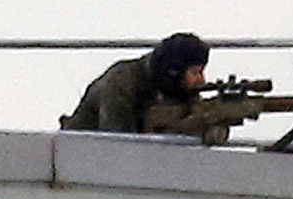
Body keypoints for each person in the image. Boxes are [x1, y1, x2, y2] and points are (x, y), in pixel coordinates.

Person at [59, 32, 211, 135]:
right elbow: (118, 144)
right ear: (174, 71)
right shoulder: (121, 84)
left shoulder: (176, 90)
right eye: (195, 73)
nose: (201, 80)